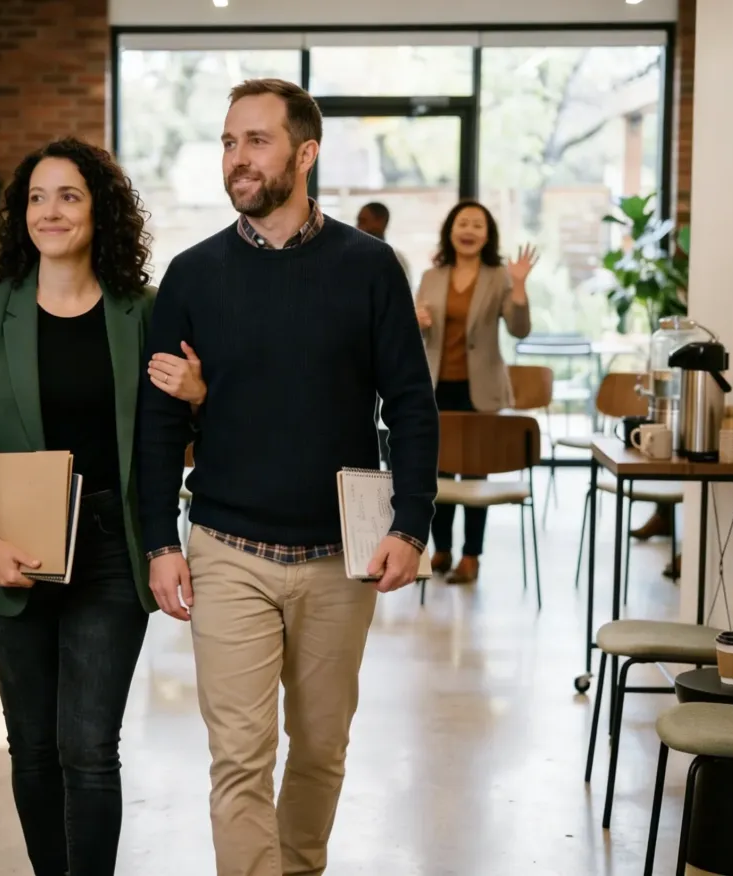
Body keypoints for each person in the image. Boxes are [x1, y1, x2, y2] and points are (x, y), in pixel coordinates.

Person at [136, 78, 439, 876]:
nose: (238, 158)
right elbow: (160, 418)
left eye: (257, 141)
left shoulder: (370, 268)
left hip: (340, 555)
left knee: (320, 750)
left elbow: (411, 403)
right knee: (239, 757)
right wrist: (157, 543)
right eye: (230, 142)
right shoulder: (192, 275)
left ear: (306, 153)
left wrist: (412, 524)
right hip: (226, 547)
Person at [0, 137, 206, 876]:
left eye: (69, 196)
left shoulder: (140, 311)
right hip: (9, 542)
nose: (50, 212)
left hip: (112, 542)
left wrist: (199, 398)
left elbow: (180, 433)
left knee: (88, 746)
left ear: (101, 209)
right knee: (33, 744)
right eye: (37, 198)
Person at [413, 200, 538, 583]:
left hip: (480, 389)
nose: (469, 230)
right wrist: (415, 320)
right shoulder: (431, 276)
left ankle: (471, 555)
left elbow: (519, 329)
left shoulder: (498, 276)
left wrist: (518, 286)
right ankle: (442, 550)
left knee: (474, 472)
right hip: (434, 386)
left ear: (487, 235)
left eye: (477, 225)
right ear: (451, 230)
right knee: (437, 473)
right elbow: (417, 330)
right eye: (462, 223)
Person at [356, 200, 412, 284]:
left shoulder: (395, 259)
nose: (358, 227)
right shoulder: (352, 257)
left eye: (363, 221)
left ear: (380, 222)